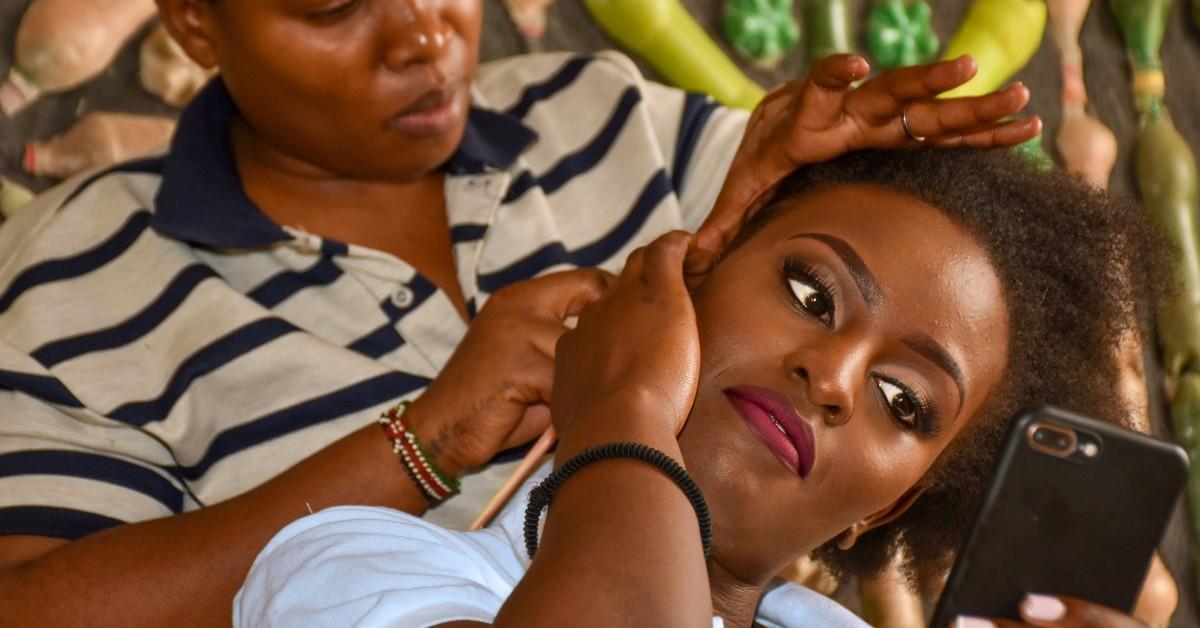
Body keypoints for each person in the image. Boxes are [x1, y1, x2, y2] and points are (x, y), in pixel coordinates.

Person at [0, 0, 1089, 625]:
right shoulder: (67, 274)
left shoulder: (609, 110)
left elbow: (945, 312)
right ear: (195, 19)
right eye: (334, 1)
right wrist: (425, 442)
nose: (422, 33)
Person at [234, 147, 1167, 627]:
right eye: (812, 294)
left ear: (883, 511)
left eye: (904, 403)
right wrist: (620, 416)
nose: (835, 379)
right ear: (681, 292)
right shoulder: (360, 572)